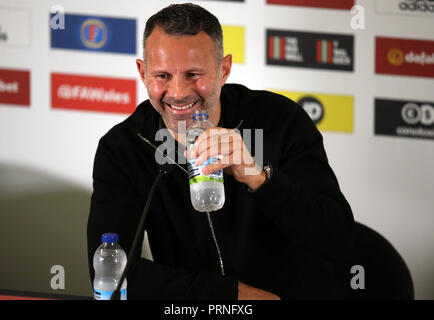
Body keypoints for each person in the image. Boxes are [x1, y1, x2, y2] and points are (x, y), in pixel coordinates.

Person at [87, 3, 354, 300]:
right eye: (162, 76)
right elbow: (111, 277)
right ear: (143, 72)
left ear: (223, 69)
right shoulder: (123, 148)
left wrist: (259, 178)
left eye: (193, 74)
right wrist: (231, 296)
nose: (178, 93)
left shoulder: (280, 120)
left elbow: (337, 239)